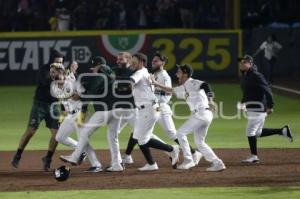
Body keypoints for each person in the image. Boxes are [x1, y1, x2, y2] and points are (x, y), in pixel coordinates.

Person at [122, 52, 202, 166]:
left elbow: (168, 93)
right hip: (153, 107)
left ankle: (192, 152)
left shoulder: (164, 76)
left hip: (161, 107)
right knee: (139, 131)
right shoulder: (152, 74)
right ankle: (129, 155)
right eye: (153, 61)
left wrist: (153, 94)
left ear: (162, 63)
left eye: (156, 61)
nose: (153, 63)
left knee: (171, 133)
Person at [151, 64, 226, 171]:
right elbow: (171, 90)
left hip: (202, 113)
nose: (176, 74)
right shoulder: (183, 87)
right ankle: (217, 163)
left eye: (179, 72)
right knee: (200, 142)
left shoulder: (191, 82)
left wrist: (210, 100)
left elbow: (206, 85)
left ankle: (188, 160)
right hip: (202, 115)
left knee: (180, 133)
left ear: (185, 74)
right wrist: (155, 83)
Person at [11, 50, 63, 171]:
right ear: (51, 60)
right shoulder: (44, 70)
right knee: (31, 131)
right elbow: (46, 82)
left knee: (57, 135)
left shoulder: (62, 71)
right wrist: (57, 76)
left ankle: (48, 158)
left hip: (54, 105)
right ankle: (18, 155)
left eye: (61, 62)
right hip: (40, 105)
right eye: (57, 61)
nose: (59, 64)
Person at [59, 56, 117, 166]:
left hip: (102, 111)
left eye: (94, 68)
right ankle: (117, 163)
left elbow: (89, 94)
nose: (92, 70)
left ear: (100, 66)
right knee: (112, 137)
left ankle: (92, 163)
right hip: (112, 110)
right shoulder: (107, 75)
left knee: (85, 134)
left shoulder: (100, 77)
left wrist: (81, 100)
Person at [238, 55, 293, 164]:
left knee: (250, 132)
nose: (241, 64)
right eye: (241, 62)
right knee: (257, 133)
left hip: (258, 109)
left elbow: (267, 89)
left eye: (244, 62)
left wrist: (270, 105)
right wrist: (243, 102)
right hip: (252, 108)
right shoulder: (247, 76)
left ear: (251, 64)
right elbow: (248, 92)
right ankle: (282, 131)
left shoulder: (256, 76)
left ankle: (254, 156)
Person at [129, 53, 179, 171]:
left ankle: (171, 150)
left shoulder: (140, 72)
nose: (132, 63)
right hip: (147, 109)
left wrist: (124, 85)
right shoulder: (147, 72)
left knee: (142, 139)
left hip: (149, 109)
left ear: (141, 62)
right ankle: (152, 163)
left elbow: (131, 80)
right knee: (138, 137)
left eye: (134, 62)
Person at [50, 62, 102, 173]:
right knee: (59, 137)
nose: (51, 74)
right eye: (51, 72)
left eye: (53, 71)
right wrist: (61, 119)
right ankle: (80, 150)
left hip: (80, 112)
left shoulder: (72, 81)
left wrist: (78, 98)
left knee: (83, 137)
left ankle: (96, 164)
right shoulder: (54, 87)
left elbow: (84, 96)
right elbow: (62, 103)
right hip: (69, 115)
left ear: (60, 72)